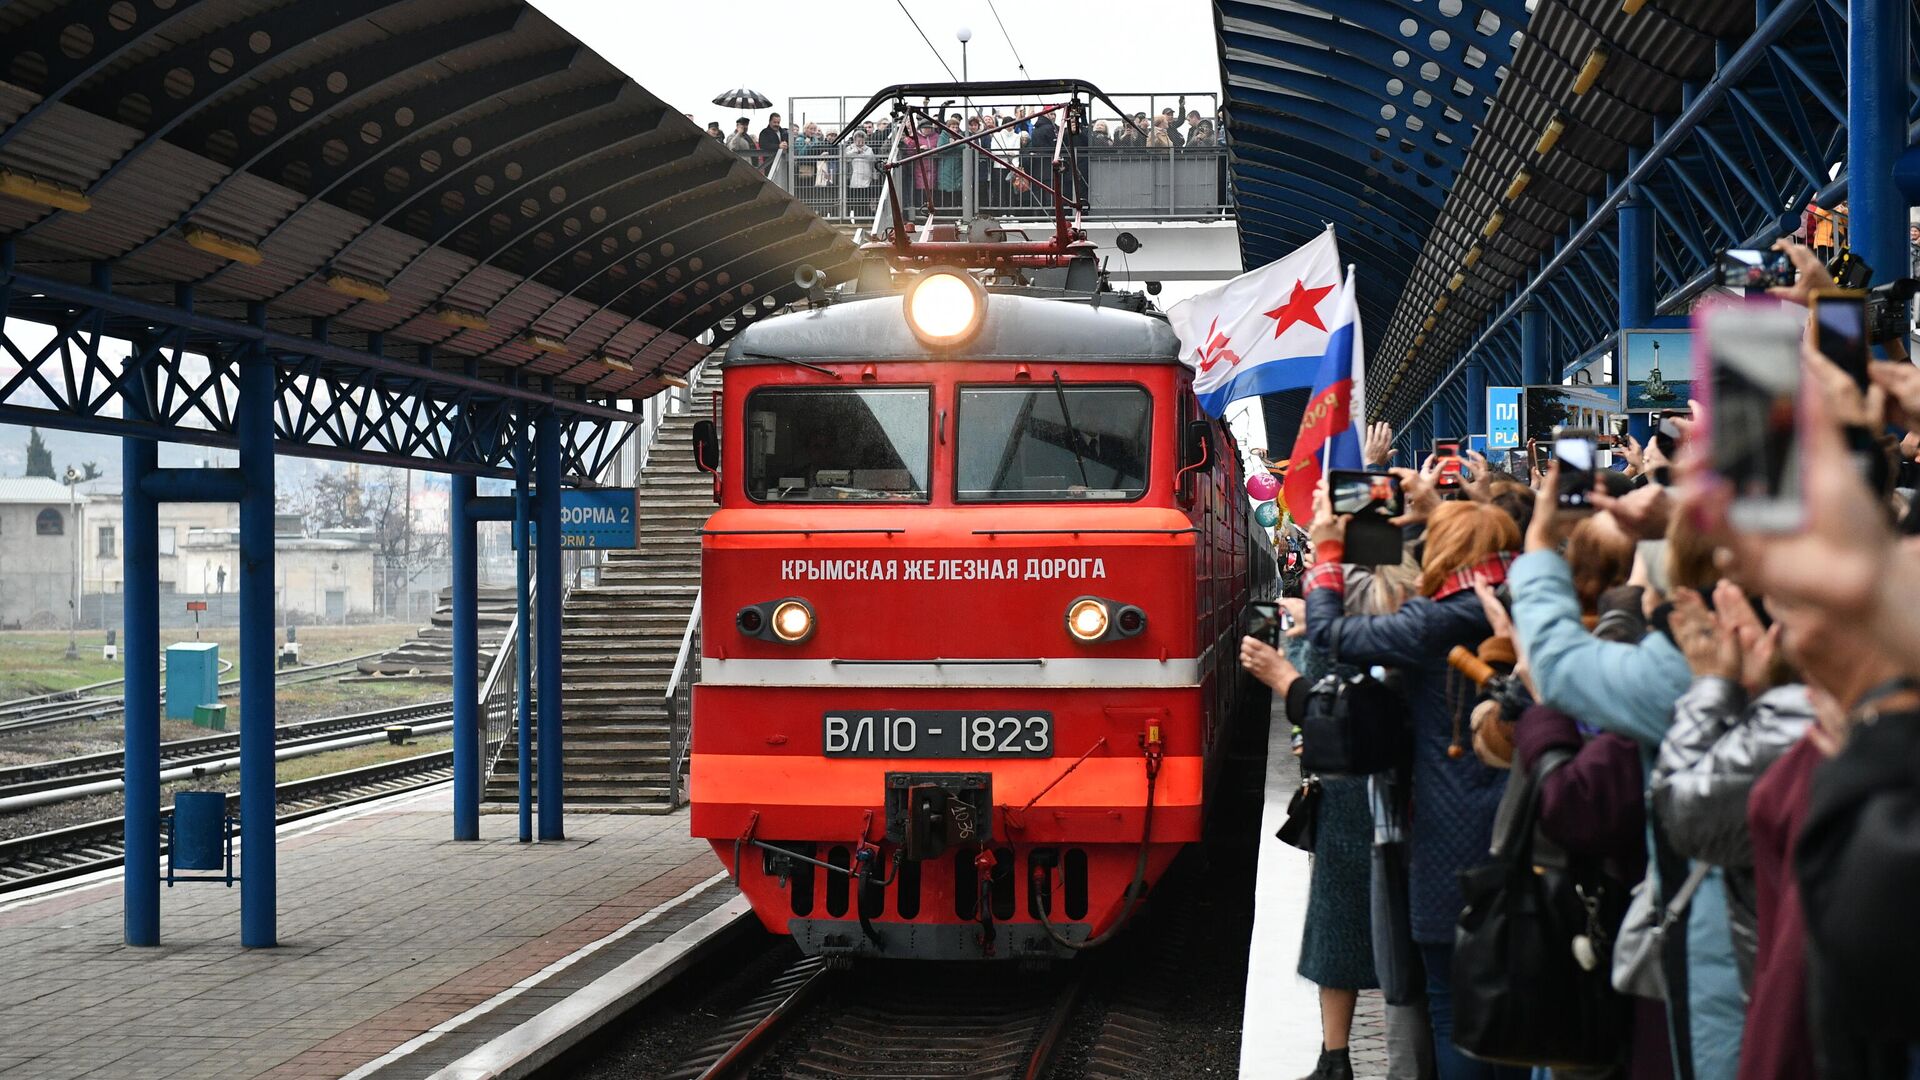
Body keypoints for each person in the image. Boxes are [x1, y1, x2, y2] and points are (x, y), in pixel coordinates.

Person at [1298, 494, 1522, 1080]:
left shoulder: (1434, 621)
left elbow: (1329, 632)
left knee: (1450, 1005)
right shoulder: (1538, 606)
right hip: (1529, 827)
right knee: (1524, 1002)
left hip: (1449, 836)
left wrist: (1327, 550)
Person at [843, 131, 876, 201]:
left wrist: (862, 152)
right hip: (854, 178)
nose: (860, 143)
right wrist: (855, 151)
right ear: (854, 140)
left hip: (867, 178)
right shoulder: (850, 148)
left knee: (865, 199)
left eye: (862, 141)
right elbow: (846, 158)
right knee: (855, 200)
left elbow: (871, 158)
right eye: (858, 141)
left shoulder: (869, 149)